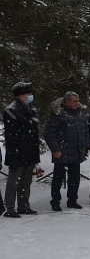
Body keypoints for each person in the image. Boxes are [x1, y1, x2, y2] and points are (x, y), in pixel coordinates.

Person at [44, 92, 89, 211]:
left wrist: (85, 148)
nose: (77, 102)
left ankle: (72, 200)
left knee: (74, 179)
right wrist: (56, 149)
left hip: (76, 152)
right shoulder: (59, 115)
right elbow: (49, 134)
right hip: (62, 153)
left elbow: (85, 132)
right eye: (74, 101)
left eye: (78, 100)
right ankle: (55, 202)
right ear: (67, 102)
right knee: (58, 179)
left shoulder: (80, 115)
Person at [2, 82, 40, 217]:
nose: (30, 96)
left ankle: (23, 205)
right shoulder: (11, 110)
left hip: (30, 150)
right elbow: (11, 135)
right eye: (28, 94)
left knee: (26, 181)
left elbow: (34, 130)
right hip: (18, 151)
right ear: (20, 95)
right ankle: (10, 208)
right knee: (14, 181)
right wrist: (15, 152)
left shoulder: (31, 108)